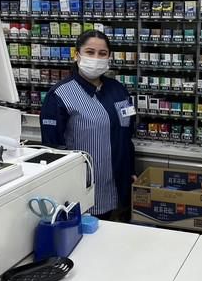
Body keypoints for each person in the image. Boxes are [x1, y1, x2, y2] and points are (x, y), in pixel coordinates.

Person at [40, 30, 136, 220]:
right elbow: (52, 149)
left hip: (119, 186)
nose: (96, 58)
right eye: (90, 52)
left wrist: (130, 171)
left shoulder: (118, 90)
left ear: (109, 57)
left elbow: (126, 136)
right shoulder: (59, 95)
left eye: (102, 53)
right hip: (81, 190)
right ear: (77, 55)